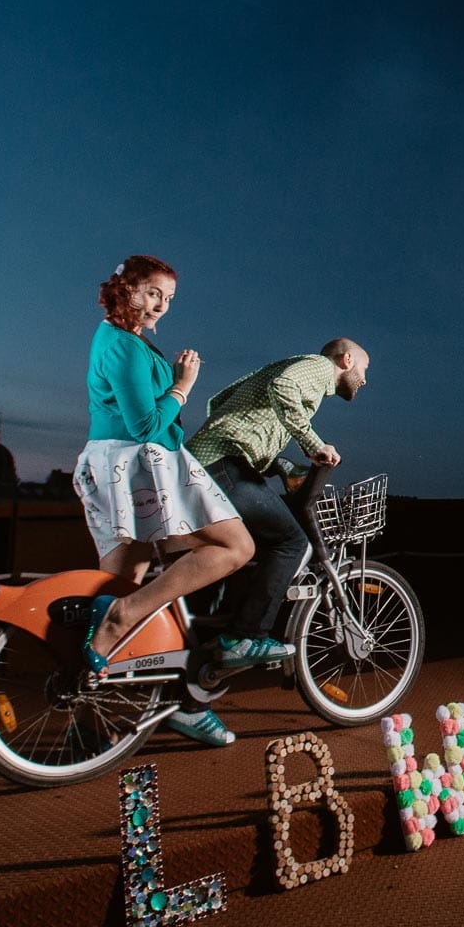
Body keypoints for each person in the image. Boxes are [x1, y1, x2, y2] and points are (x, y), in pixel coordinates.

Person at [75, 254, 254, 748]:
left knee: (118, 583)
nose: (161, 306)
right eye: (153, 293)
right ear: (126, 288)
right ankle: (128, 621)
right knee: (234, 547)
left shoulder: (117, 338)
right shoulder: (125, 347)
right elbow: (146, 427)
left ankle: (96, 719)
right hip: (137, 465)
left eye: (168, 299)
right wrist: (182, 385)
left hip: (113, 467)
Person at [184, 338, 371, 655]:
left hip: (206, 462)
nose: (365, 380)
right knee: (292, 543)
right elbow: (283, 387)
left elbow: (218, 403)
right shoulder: (319, 367)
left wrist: (279, 464)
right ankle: (244, 637)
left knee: (244, 546)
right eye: (365, 370)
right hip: (222, 462)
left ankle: (206, 645)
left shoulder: (288, 367)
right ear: (347, 360)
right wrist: (313, 444)